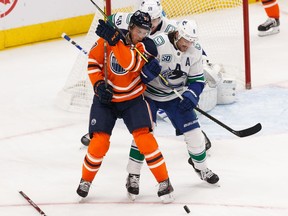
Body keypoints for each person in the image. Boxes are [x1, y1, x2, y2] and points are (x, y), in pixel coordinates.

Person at [81, 0, 212, 151]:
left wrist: (203, 59)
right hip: (133, 71)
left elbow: (191, 46)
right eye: (148, 18)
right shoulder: (130, 19)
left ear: (161, 16)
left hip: (159, 73)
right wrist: (111, 33)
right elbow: (110, 21)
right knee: (115, 97)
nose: (151, 23)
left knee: (174, 102)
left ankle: (195, 132)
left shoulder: (172, 28)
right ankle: (98, 131)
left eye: (155, 19)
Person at [76, 10, 174, 203]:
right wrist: (98, 84)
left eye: (145, 32)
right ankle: (85, 180)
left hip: (133, 99)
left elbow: (127, 63)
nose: (141, 35)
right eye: (138, 31)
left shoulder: (146, 47)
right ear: (130, 27)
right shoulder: (110, 39)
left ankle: (164, 182)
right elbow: (93, 63)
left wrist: (115, 42)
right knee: (99, 143)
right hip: (107, 100)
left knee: (145, 140)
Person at [125, 19, 219, 200]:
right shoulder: (157, 43)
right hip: (149, 95)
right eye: (185, 40)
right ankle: (133, 175)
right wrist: (147, 73)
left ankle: (201, 168)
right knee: (143, 135)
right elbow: (135, 71)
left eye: (191, 41)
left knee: (196, 135)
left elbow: (197, 80)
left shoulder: (195, 50)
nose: (187, 45)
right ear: (177, 34)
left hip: (176, 96)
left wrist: (192, 95)